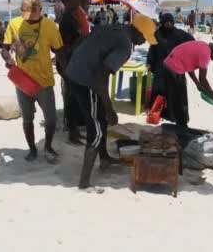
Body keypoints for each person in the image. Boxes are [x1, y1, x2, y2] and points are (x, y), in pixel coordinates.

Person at [66, 14, 157, 190]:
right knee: (97, 130)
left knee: (100, 118)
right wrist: (110, 109)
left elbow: (85, 41)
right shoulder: (125, 46)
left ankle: (105, 158)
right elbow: (101, 78)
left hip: (74, 71)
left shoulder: (113, 28)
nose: (143, 42)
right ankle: (84, 183)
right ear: (138, 32)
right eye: (144, 37)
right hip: (85, 81)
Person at [2, 0, 64, 163]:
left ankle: (48, 146)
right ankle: (32, 149)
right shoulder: (14, 24)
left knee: (51, 119)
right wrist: (8, 59)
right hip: (22, 81)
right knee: (27, 119)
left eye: (31, 15)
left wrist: (66, 70)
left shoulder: (50, 26)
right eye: (25, 14)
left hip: (44, 82)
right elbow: (5, 49)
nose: (28, 18)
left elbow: (59, 51)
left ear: (40, 11)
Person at [56, 0, 91, 145]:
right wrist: (84, 39)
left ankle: (74, 130)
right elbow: (65, 47)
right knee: (72, 98)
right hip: (68, 63)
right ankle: (72, 132)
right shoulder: (67, 20)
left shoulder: (74, 15)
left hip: (73, 63)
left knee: (75, 98)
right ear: (67, 0)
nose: (79, 0)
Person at [147, 13, 195, 126]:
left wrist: (185, 57)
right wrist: (149, 62)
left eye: (170, 22)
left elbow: (192, 43)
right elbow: (152, 49)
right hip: (161, 67)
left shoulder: (180, 34)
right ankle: (158, 114)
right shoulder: (157, 34)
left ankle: (176, 116)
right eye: (166, 22)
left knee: (177, 93)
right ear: (162, 22)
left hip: (176, 68)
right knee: (159, 92)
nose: (168, 24)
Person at [163, 40, 213, 104]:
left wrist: (197, 83)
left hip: (168, 64)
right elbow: (202, 79)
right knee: (176, 99)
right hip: (174, 68)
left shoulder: (203, 45)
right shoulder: (205, 54)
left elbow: (189, 66)